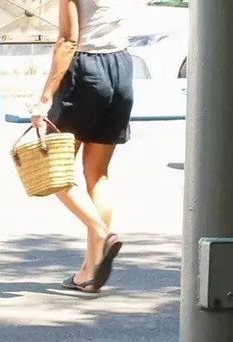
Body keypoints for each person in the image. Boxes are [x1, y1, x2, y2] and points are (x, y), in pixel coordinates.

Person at [30, 0, 135, 294]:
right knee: (97, 174)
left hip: (87, 71)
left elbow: (68, 40)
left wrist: (45, 98)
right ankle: (90, 270)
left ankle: (102, 233)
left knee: (55, 170)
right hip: (121, 67)